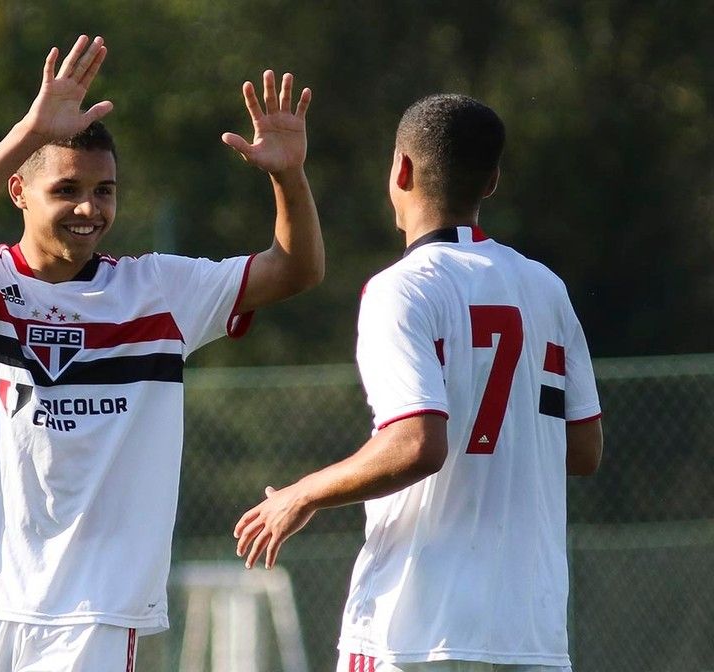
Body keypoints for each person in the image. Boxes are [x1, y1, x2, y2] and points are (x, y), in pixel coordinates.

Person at [0, 34, 321, 670]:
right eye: (66, 189)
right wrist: (28, 131)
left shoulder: (155, 290)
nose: (88, 207)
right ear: (18, 191)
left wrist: (289, 177)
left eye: (104, 191)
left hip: (95, 607)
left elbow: (294, 269)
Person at [234, 93, 603, 672]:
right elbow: (583, 450)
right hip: (530, 634)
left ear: (400, 170)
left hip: (415, 632)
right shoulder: (547, 289)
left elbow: (416, 444)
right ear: (493, 182)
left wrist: (302, 493)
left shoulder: (401, 289)